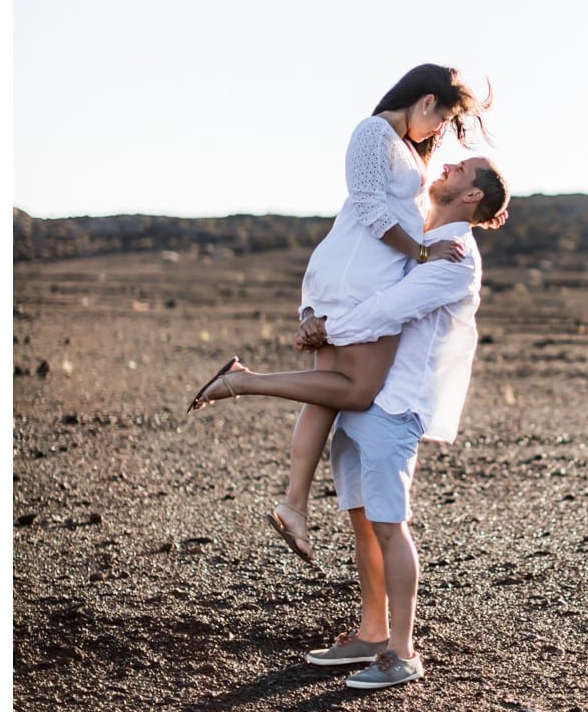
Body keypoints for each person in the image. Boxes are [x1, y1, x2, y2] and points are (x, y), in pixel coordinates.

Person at [191, 156, 510, 687]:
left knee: (389, 525)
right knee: (363, 524)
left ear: (472, 196)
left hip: (394, 407)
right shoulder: (417, 241)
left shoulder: (456, 257)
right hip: (360, 399)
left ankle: (403, 653)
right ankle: (371, 633)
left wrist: (325, 331)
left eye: (462, 169)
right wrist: (317, 319)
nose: (448, 165)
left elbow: (389, 309)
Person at [192, 64, 488, 563]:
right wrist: (420, 253)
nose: (439, 132)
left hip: (347, 273)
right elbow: (371, 211)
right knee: (358, 390)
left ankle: (293, 504)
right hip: (359, 279)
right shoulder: (373, 132)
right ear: (425, 101)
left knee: (326, 397)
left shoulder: (401, 147)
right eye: (440, 120)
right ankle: (243, 381)